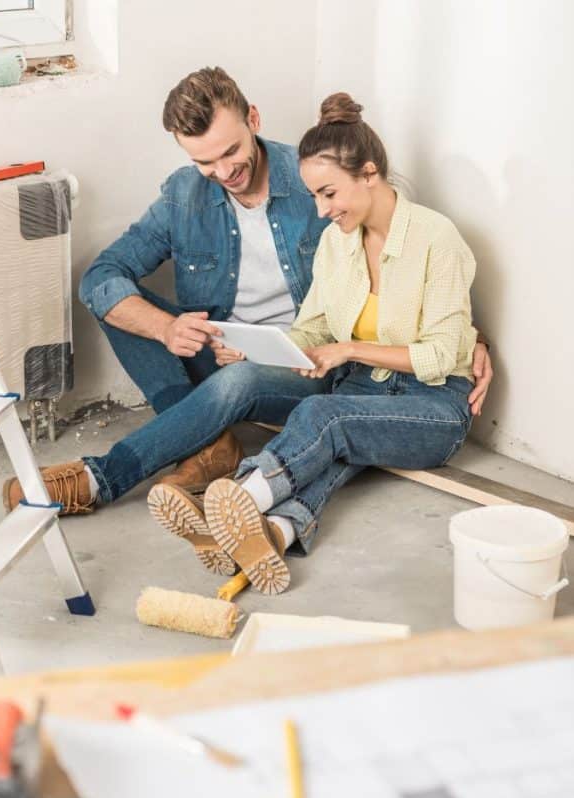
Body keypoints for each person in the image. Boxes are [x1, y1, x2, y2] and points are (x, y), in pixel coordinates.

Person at [2, 68, 492, 519]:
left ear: (253, 119)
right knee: (119, 306)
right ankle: (206, 447)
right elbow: (101, 277)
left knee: (244, 385)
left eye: (231, 151)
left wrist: (471, 341)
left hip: (303, 364)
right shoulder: (182, 194)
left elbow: (407, 257)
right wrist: (167, 327)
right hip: (228, 349)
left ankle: (102, 477)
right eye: (204, 162)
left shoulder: (311, 181)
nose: (223, 171)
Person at [153, 92, 482, 595]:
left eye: (329, 193)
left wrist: (348, 350)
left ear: (369, 173)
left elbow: (439, 355)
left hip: (434, 405)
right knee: (331, 450)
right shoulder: (338, 243)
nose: (322, 210)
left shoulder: (437, 239)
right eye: (313, 197)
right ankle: (273, 531)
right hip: (365, 394)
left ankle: (241, 497)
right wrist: (258, 348)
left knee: (320, 417)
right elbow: (313, 328)